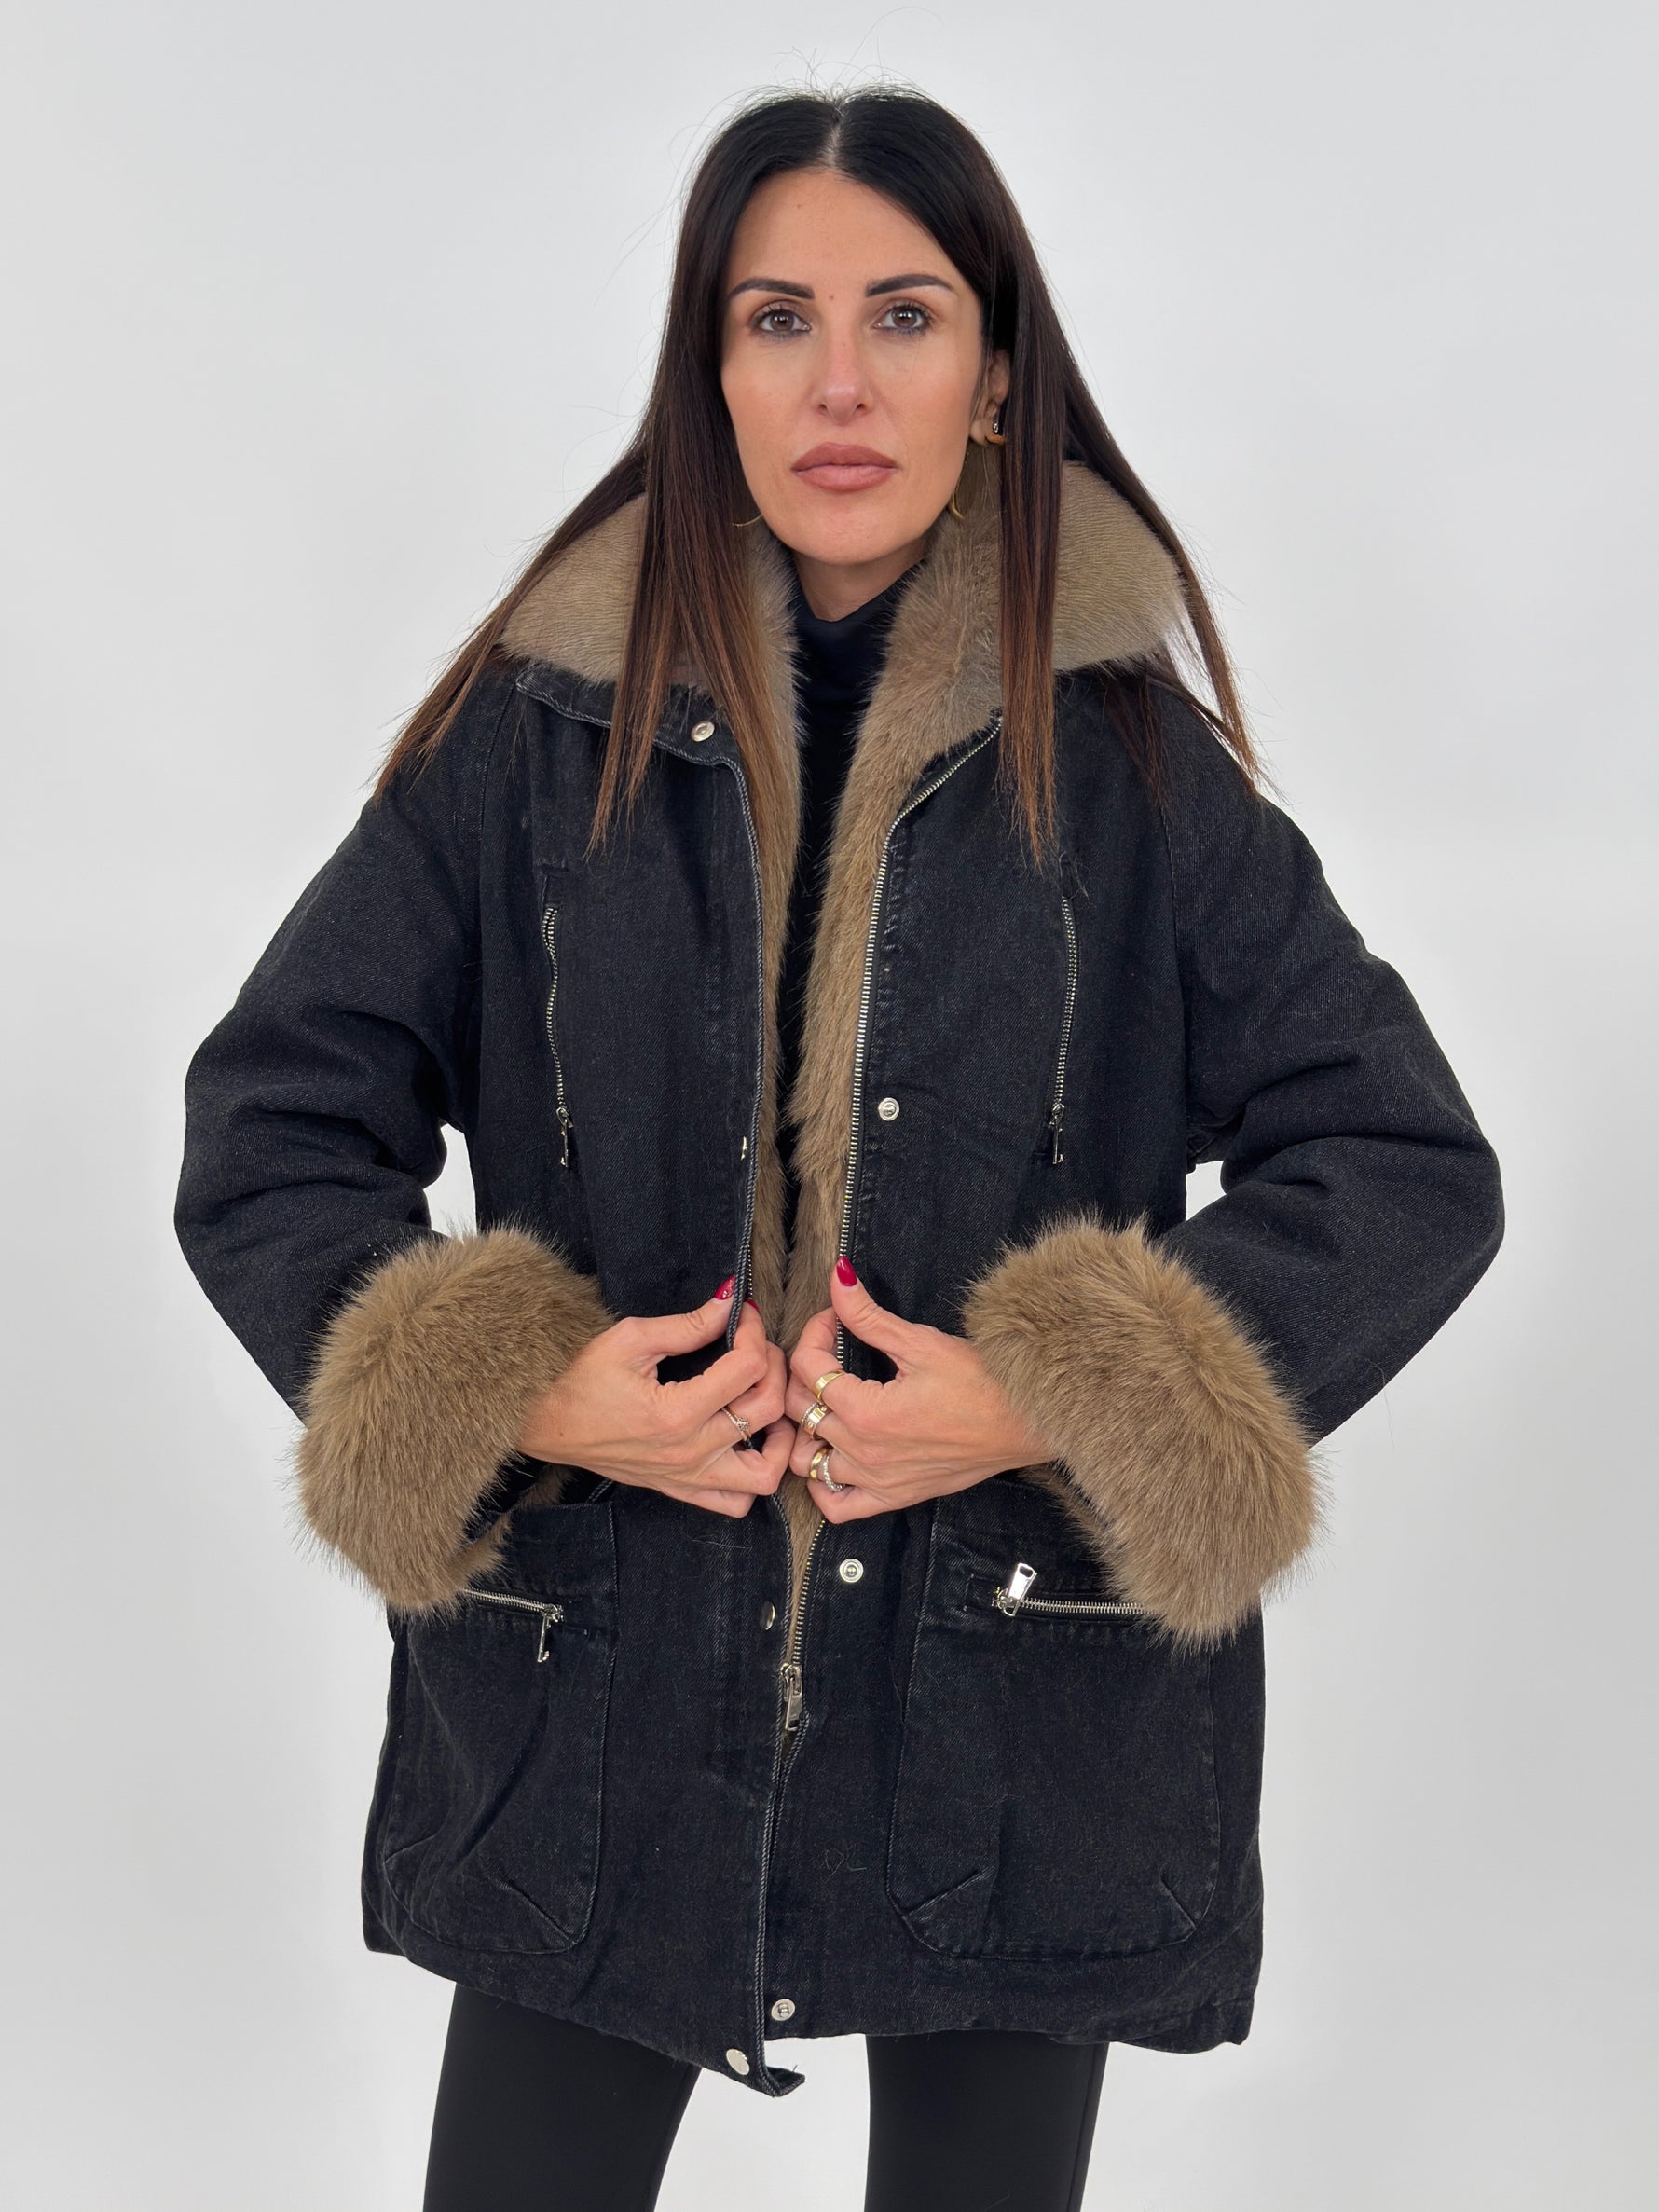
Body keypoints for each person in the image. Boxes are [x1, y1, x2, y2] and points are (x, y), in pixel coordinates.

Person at [173, 85, 1504, 2212]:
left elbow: (1405, 1157)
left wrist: (1049, 1393)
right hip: (597, 1697)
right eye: (776, 319)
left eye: (904, 314)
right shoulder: (534, 737)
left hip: (1015, 1706)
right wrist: (525, 1387)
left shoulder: (1133, 766)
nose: (840, 384)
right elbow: (273, 1121)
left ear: (996, 371)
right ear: (708, 372)